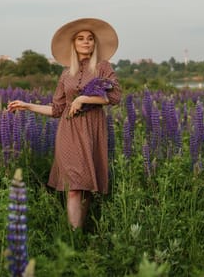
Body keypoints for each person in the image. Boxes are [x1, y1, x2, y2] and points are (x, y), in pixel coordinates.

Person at [7, 18, 122, 229]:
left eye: (90, 39)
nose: (86, 42)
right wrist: (26, 105)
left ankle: (79, 234)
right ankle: (74, 236)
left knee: (85, 187)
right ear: (74, 44)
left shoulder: (103, 67)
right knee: (74, 188)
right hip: (69, 132)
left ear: (94, 44)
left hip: (92, 130)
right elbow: (57, 110)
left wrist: (82, 99)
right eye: (81, 39)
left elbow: (114, 97)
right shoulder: (65, 73)